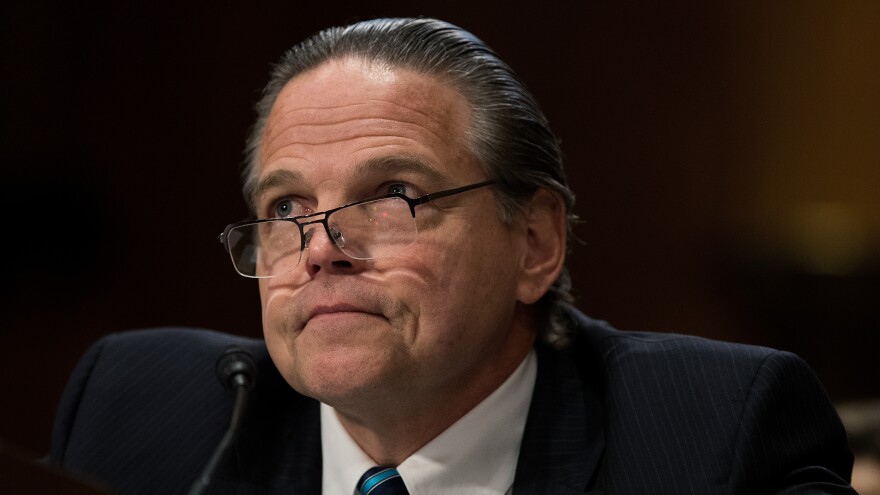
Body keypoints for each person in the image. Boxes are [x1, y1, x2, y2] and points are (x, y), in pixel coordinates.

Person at [49, 17, 856, 494]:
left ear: (535, 241)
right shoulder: (142, 415)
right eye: (286, 207)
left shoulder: (712, 437)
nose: (320, 249)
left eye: (393, 195)